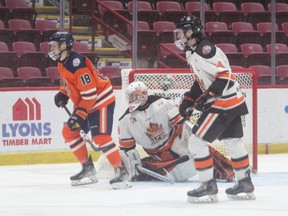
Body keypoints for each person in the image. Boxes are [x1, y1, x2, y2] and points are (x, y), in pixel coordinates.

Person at [175, 15, 255, 203]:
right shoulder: (194, 51)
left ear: (190, 32)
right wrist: (189, 99)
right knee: (233, 143)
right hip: (233, 102)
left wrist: (208, 97)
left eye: (180, 32)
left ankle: (207, 185)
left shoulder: (205, 50)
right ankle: (245, 182)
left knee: (196, 142)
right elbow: (202, 81)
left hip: (223, 104)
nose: (178, 36)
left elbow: (225, 77)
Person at [49, 31, 130, 189]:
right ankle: (88, 168)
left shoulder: (77, 63)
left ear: (64, 45)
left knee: (101, 137)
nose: (51, 48)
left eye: (54, 45)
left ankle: (121, 172)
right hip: (86, 103)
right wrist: (63, 93)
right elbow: (70, 83)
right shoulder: (62, 61)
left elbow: (91, 94)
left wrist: (79, 115)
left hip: (100, 100)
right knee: (69, 132)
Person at [117, 81, 235, 183]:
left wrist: (188, 137)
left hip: (175, 141)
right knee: (140, 169)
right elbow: (127, 148)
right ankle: (169, 168)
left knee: (197, 147)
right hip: (156, 153)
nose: (131, 99)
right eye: (130, 96)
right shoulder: (125, 120)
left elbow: (180, 122)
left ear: (143, 95)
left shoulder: (161, 102)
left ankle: (226, 170)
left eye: (135, 96)